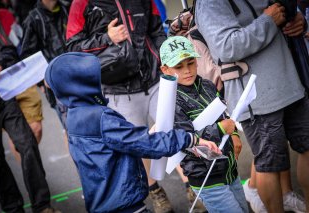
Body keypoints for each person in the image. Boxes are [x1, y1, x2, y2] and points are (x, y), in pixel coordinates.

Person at [44, 51, 221, 213]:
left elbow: (123, 141)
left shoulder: (73, 116)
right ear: (82, 84)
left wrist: (142, 136)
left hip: (102, 203)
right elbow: (144, 144)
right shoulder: (100, 117)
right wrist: (190, 139)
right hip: (124, 204)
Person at [195, 1, 309, 212]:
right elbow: (226, 47)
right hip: (255, 97)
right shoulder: (208, 3)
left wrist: (299, 20)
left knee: (307, 148)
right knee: (269, 165)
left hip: (292, 82)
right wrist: (268, 20)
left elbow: (284, 12)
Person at [66, 0, 175, 212]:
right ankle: (156, 192)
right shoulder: (81, 3)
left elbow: (156, 30)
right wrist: (107, 38)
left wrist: (167, 60)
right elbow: (72, 48)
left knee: (173, 128)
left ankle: (192, 187)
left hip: (153, 79)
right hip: (117, 89)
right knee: (139, 143)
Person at [159, 36, 248, 213]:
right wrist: (221, 129)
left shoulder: (207, 85)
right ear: (165, 69)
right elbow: (184, 140)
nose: (187, 70)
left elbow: (224, 115)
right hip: (206, 178)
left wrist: (235, 134)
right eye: (179, 66)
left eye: (191, 63)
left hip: (229, 169)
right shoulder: (169, 102)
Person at [0, 0, 59, 212]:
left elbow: (8, 49)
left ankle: (42, 206)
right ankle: (13, 209)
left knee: (28, 144)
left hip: (3, 97)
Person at [21, 0, 71, 144]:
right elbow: (27, 56)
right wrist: (41, 82)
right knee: (72, 133)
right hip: (56, 87)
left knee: (92, 126)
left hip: (78, 76)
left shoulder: (67, 8)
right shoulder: (33, 19)